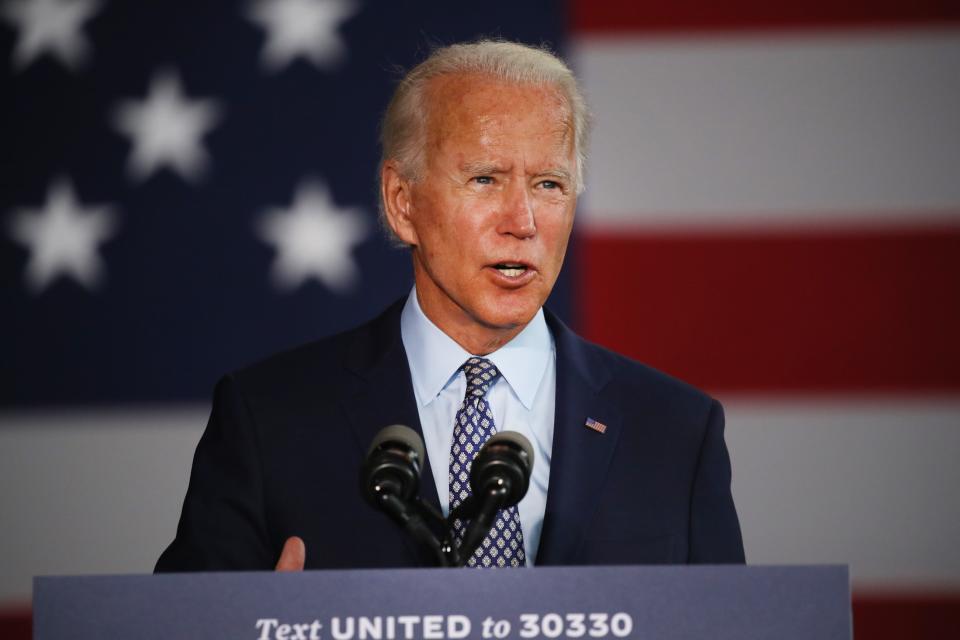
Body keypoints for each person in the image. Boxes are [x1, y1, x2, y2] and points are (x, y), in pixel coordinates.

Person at [156, 40, 744, 572]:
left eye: (550, 185)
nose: (523, 222)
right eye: (486, 179)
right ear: (402, 203)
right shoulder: (269, 420)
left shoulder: (675, 432)